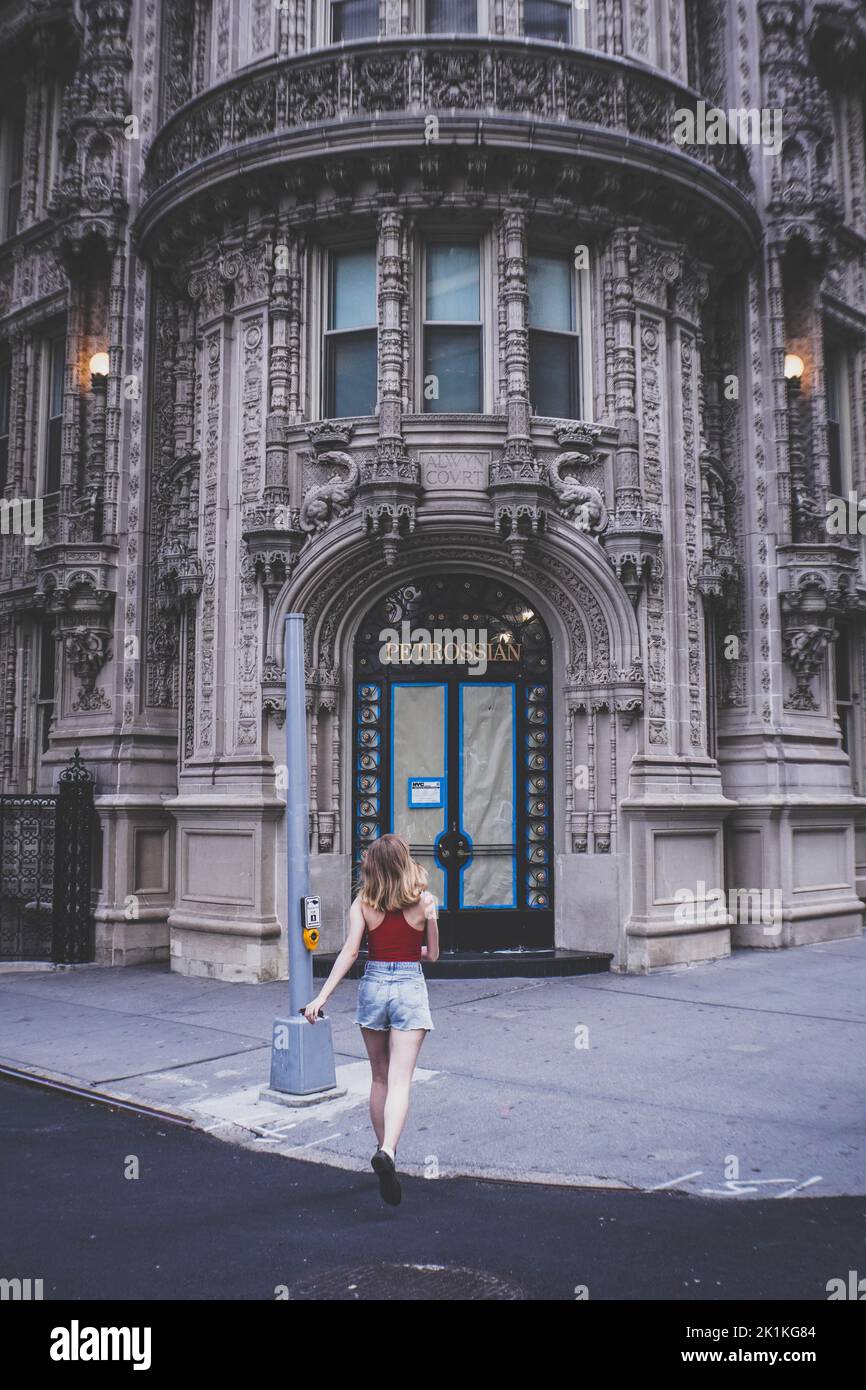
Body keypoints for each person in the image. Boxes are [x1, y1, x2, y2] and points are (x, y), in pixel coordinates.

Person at [302, 833, 439, 1206]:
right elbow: (433, 955)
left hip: (375, 984)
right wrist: (430, 922)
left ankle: (382, 1149)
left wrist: (321, 996)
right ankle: (390, 1152)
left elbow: (349, 952)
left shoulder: (363, 902)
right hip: (409, 984)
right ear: (405, 862)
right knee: (400, 1081)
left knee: (378, 1076)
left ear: (373, 867)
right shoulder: (424, 901)